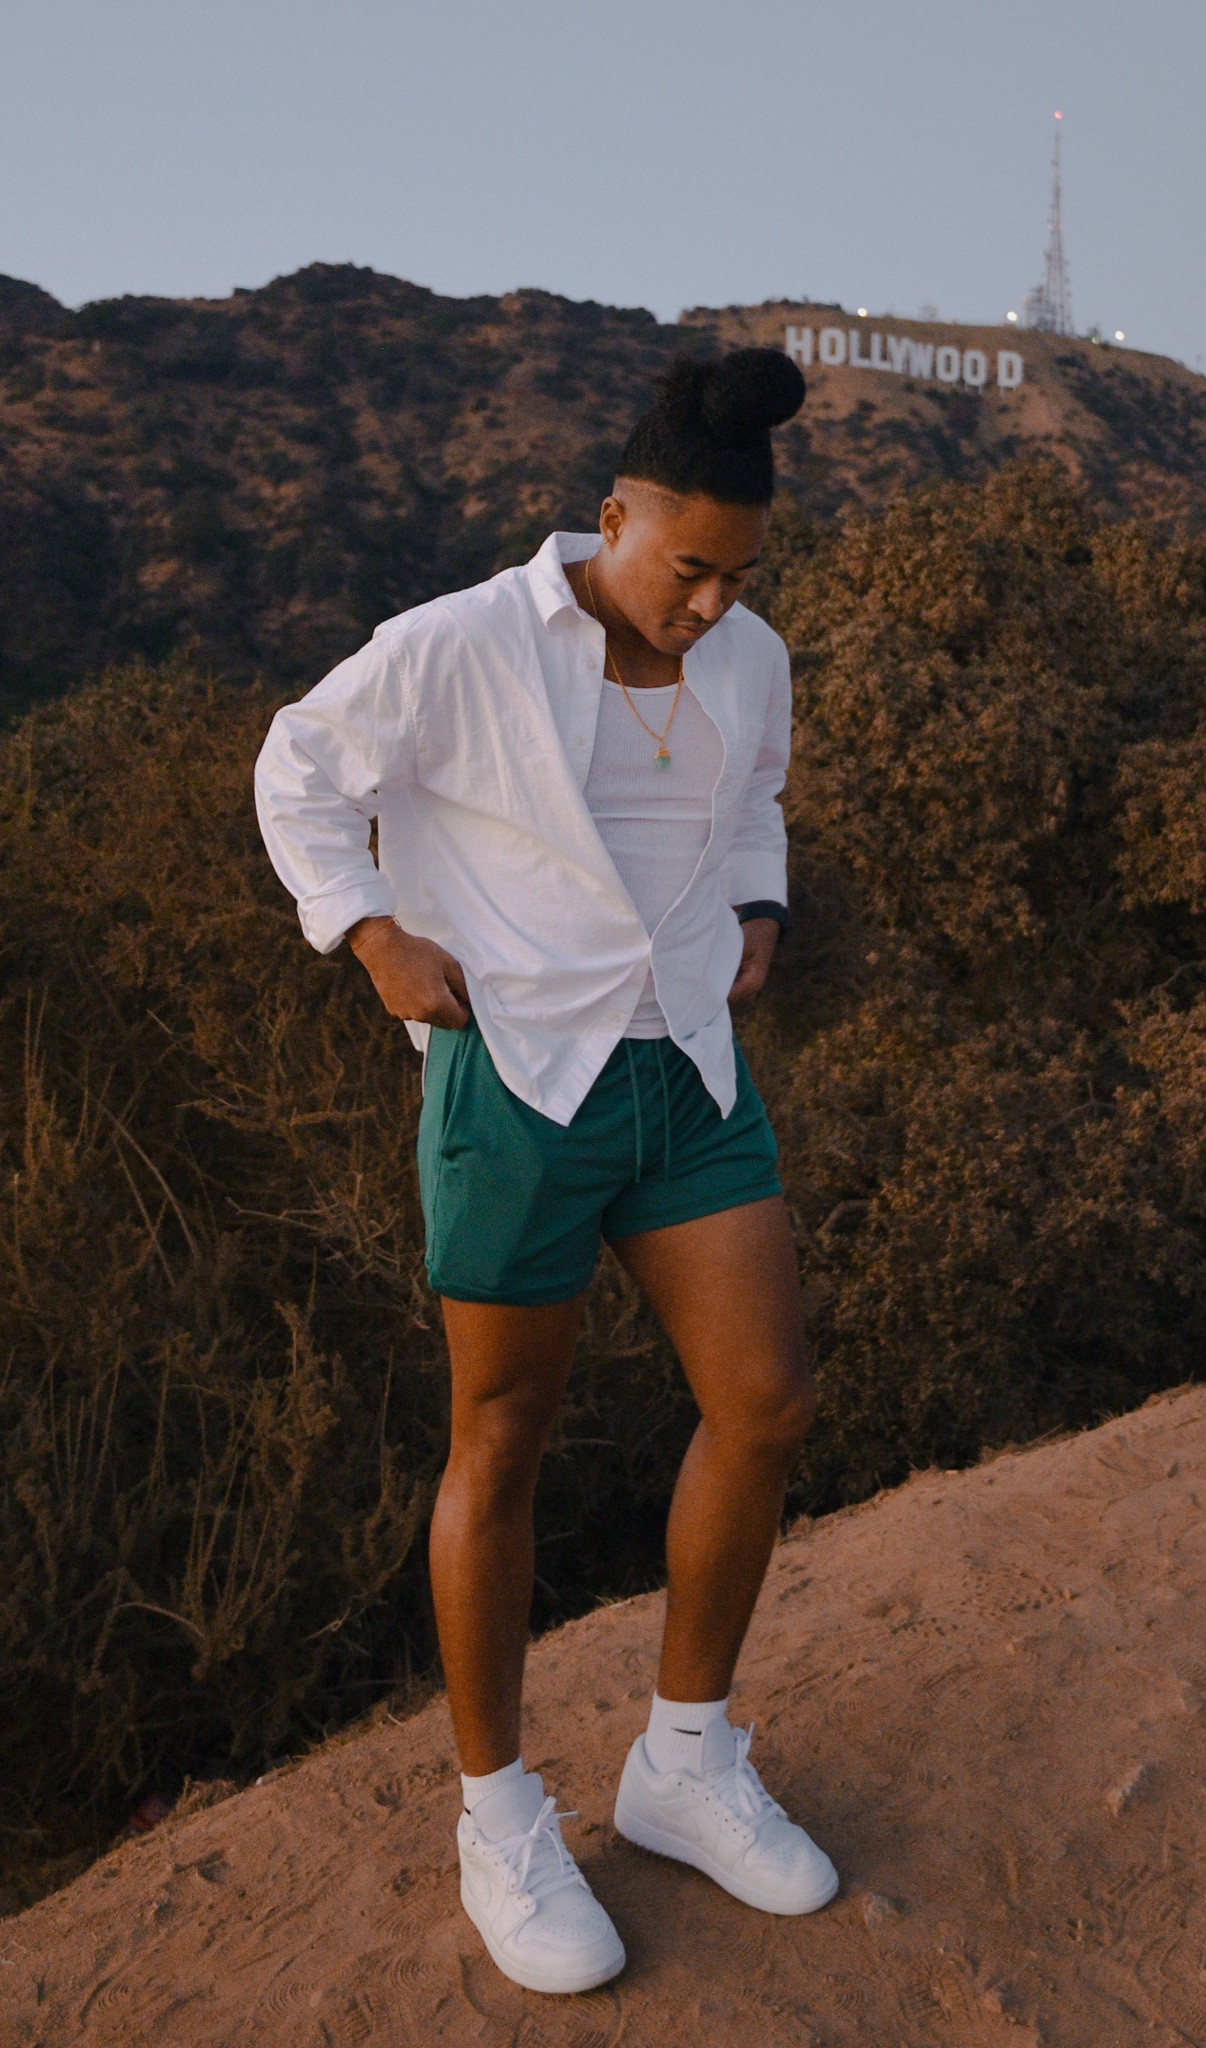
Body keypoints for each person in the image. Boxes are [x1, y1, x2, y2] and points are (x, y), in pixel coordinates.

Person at [254, 347, 835, 1996]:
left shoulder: (754, 661)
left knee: (768, 1397)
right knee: (501, 1438)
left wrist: (762, 913)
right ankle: (500, 1817)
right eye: (688, 566)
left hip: (689, 1076)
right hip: (517, 1078)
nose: (713, 602)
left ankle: (684, 1760)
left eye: (740, 574)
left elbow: (754, 810)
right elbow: (297, 768)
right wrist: (367, 931)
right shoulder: (461, 646)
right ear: (614, 518)